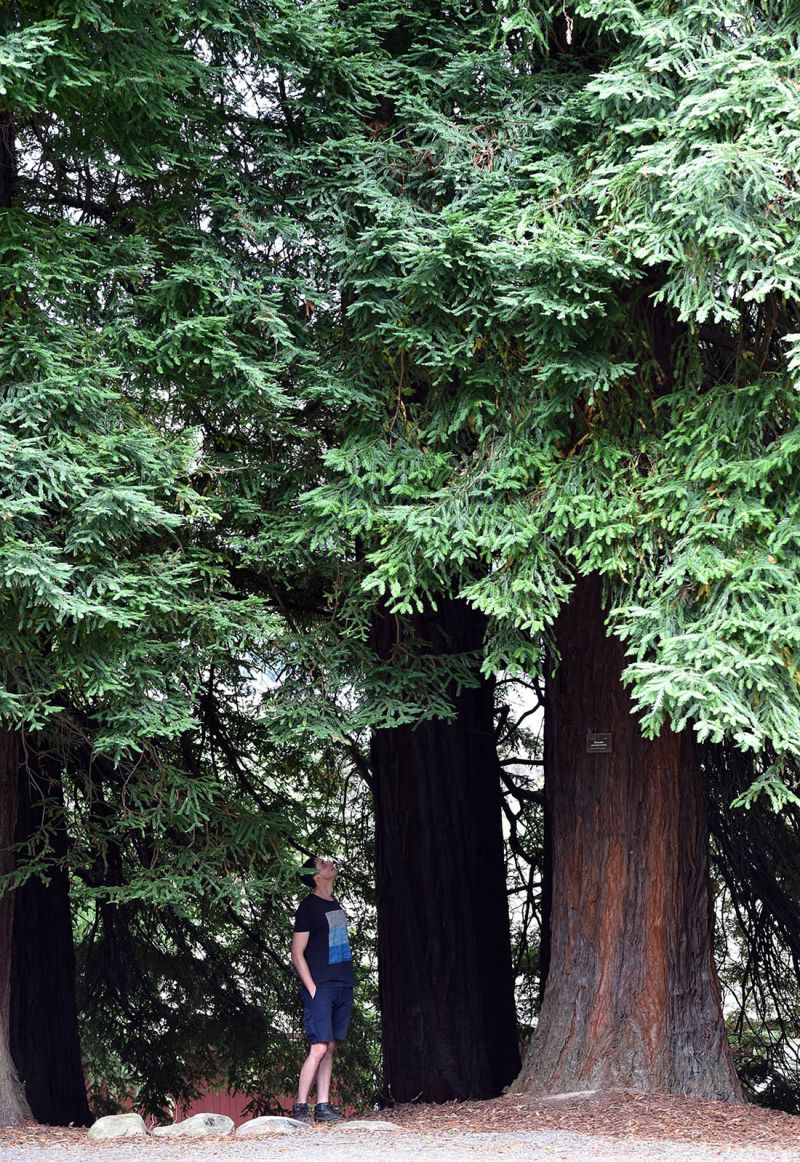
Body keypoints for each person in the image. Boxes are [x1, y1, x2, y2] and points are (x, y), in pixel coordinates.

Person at [290, 855, 354, 1125]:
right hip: (321, 988)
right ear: (316, 876)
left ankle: (324, 1106)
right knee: (318, 1047)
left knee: (329, 1047)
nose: (329, 863)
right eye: (322, 864)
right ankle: (300, 1107)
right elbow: (296, 952)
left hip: (342, 984)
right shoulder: (308, 907)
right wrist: (313, 988)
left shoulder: (334, 904)